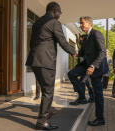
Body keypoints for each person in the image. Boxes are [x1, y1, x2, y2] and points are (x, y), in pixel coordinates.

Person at [26, 2, 76, 130]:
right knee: (48, 92)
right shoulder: (54, 22)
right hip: (46, 62)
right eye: (60, 12)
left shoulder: (37, 22)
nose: (60, 15)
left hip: (34, 60)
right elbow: (63, 41)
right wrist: (73, 52)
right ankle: (41, 122)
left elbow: (32, 42)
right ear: (54, 10)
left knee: (45, 90)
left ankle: (47, 113)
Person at [69, 16, 108, 126]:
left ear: (89, 23)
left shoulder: (96, 34)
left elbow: (102, 52)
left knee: (98, 94)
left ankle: (100, 118)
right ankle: (82, 97)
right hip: (86, 64)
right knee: (71, 74)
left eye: (82, 23)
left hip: (96, 67)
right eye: (80, 23)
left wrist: (93, 66)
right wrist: (74, 53)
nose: (80, 25)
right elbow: (81, 53)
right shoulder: (86, 37)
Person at [68, 35, 94, 105]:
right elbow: (80, 54)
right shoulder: (84, 46)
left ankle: (83, 98)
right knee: (85, 83)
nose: (80, 41)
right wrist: (76, 55)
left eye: (81, 40)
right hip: (84, 66)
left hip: (87, 66)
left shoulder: (90, 46)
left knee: (81, 81)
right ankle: (85, 98)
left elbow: (87, 56)